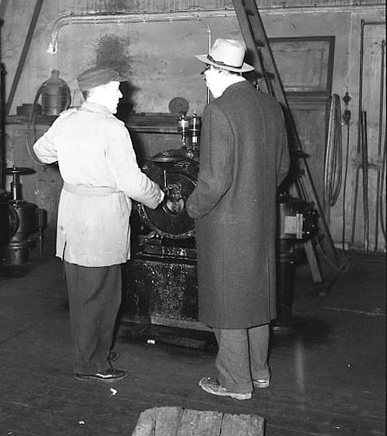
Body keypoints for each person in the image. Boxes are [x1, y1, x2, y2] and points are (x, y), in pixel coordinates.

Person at [33, 66, 165, 382]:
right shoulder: (112, 129)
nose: (121, 95)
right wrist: (158, 197)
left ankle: (95, 350)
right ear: (101, 90)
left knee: (83, 291)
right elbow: (132, 183)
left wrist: (74, 158)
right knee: (102, 295)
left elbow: (41, 152)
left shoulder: (67, 120)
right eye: (116, 88)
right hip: (101, 219)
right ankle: (92, 363)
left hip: (73, 214)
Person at [186, 38, 290, 400]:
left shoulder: (219, 111)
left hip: (226, 226)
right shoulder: (271, 106)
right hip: (260, 221)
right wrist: (253, 194)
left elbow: (214, 182)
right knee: (255, 298)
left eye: (205, 71)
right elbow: (282, 167)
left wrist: (190, 208)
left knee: (227, 302)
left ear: (218, 71)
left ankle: (235, 383)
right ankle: (259, 372)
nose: (204, 78)